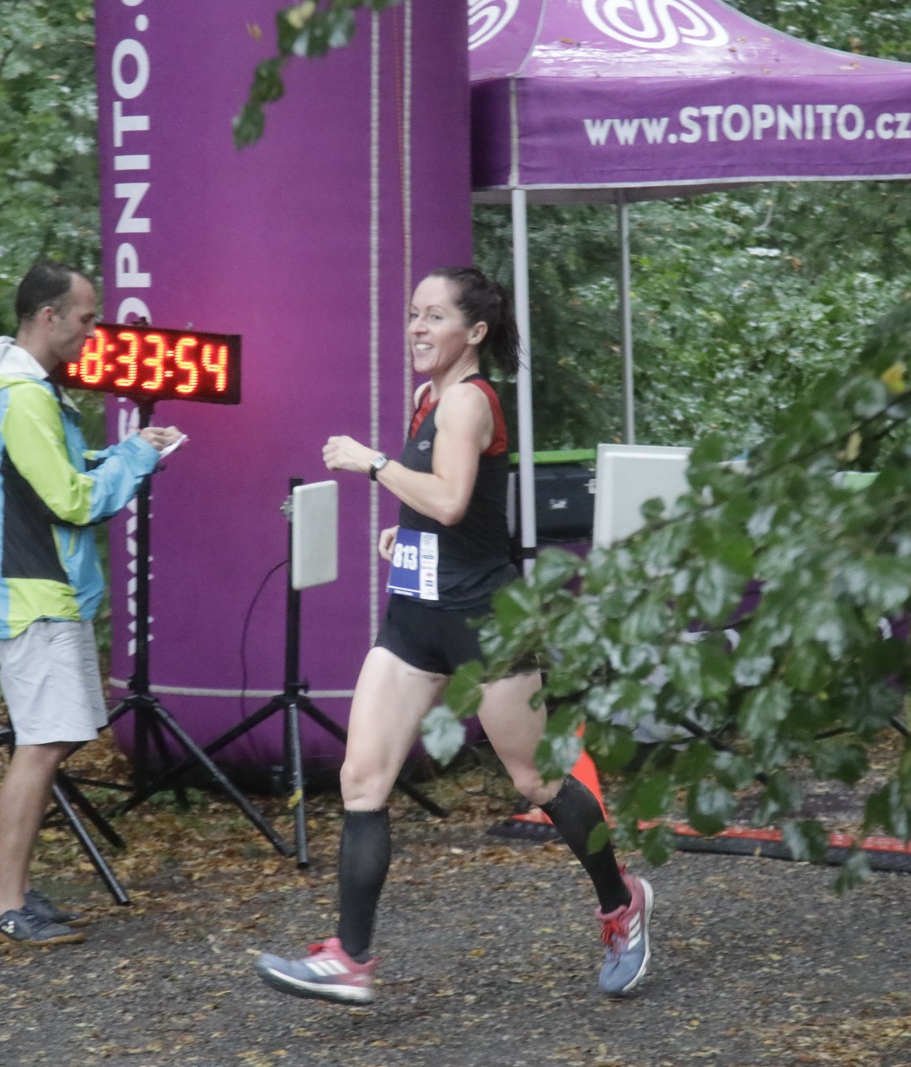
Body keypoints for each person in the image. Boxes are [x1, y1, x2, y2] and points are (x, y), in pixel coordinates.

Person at [255, 266, 653, 1003]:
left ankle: (622, 902)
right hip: (414, 615)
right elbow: (438, 514)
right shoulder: (426, 398)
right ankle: (351, 957)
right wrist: (403, 540)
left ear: (474, 332)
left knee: (535, 780)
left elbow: (450, 500)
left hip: (484, 624)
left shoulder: (469, 400)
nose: (417, 327)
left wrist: (373, 463)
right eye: (414, 313)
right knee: (362, 779)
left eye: (434, 316)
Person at [0, 260, 180, 946]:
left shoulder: (25, 389)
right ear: (48, 316)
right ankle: (6, 903)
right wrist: (135, 463)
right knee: (41, 745)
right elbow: (72, 501)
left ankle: (14, 891)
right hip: (34, 596)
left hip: (40, 592)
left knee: (47, 741)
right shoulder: (24, 398)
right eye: (87, 318)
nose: (95, 332)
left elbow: (53, 475)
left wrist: (127, 450)